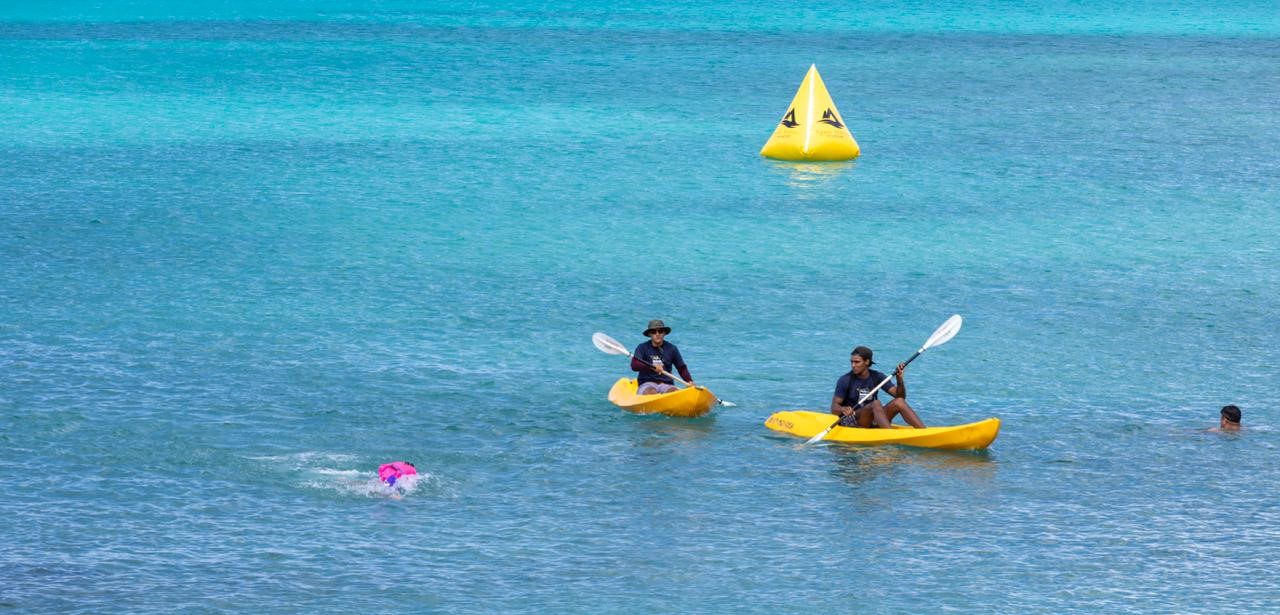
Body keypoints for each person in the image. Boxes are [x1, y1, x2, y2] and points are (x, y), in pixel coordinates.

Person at [829, 346, 925, 428]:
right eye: (852, 362)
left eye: (857, 362)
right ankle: (890, 436)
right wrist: (843, 409)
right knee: (876, 403)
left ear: (867, 362)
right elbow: (834, 407)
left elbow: (900, 396)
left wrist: (899, 380)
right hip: (855, 420)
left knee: (899, 402)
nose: (853, 365)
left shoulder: (877, 376)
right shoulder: (845, 380)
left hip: (873, 417)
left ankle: (924, 432)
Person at [631, 319, 693, 395]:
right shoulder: (642, 348)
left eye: (660, 331)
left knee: (674, 392)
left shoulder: (672, 348)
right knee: (651, 392)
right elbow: (634, 365)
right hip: (647, 383)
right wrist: (651, 367)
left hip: (666, 384)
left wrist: (689, 381)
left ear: (664, 333)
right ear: (650, 334)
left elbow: (681, 368)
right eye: (653, 332)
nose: (657, 334)